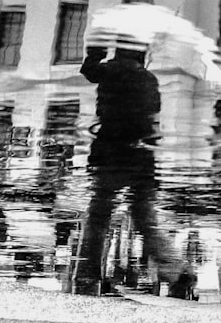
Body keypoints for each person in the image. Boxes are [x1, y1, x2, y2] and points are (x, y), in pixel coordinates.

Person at [76, 45, 195, 297]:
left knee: (99, 214)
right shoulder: (148, 78)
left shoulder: (111, 70)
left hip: (110, 150)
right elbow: (153, 117)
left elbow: (89, 71)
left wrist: (95, 52)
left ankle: (87, 272)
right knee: (144, 216)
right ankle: (176, 270)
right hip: (140, 154)